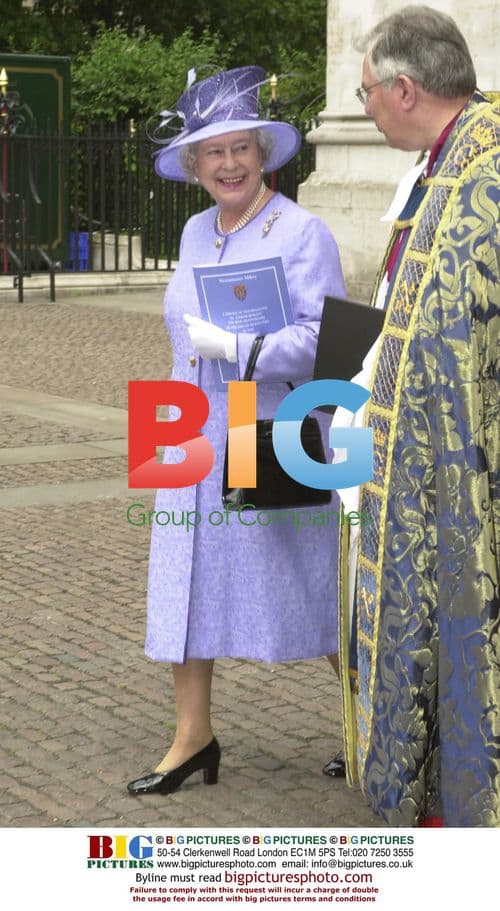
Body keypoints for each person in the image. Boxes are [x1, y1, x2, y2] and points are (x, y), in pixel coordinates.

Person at [127, 66, 347, 796]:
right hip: (185, 424)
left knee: (304, 583)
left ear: (265, 155)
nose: (228, 164)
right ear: (193, 164)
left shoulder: (301, 229)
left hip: (270, 424)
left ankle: (374, 725)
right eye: (212, 151)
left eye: (240, 148)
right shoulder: (193, 229)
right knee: (181, 582)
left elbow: (330, 343)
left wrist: (243, 348)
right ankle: (193, 737)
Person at [330, 6, 499, 827]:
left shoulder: (484, 175)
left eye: (364, 94)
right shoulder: (439, 165)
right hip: (398, 458)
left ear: (403, 88)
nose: (363, 109)